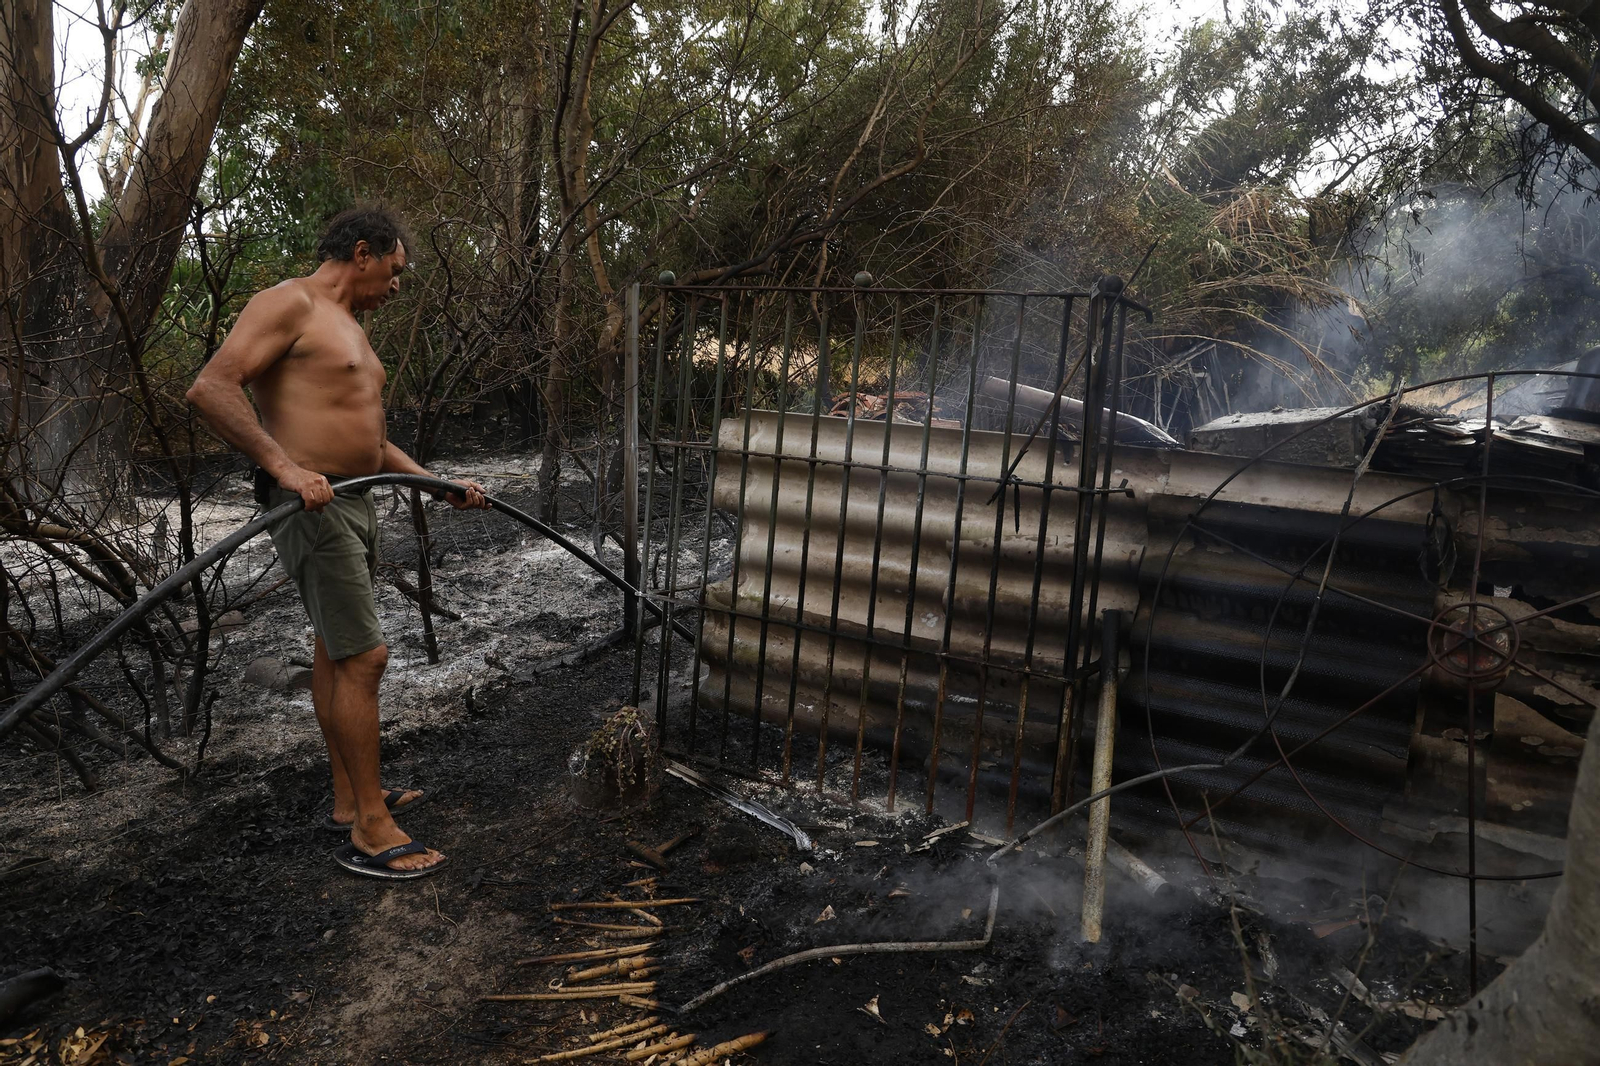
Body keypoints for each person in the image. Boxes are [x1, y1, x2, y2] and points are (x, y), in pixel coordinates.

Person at [187, 204, 488, 881]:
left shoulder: (347, 327)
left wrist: (437, 484)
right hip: (312, 508)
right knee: (366, 658)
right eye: (396, 270)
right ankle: (373, 833)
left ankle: (353, 799)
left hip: (353, 502)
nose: (398, 285)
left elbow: (372, 442)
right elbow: (210, 386)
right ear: (364, 254)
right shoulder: (288, 303)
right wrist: (286, 468)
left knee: (336, 650)